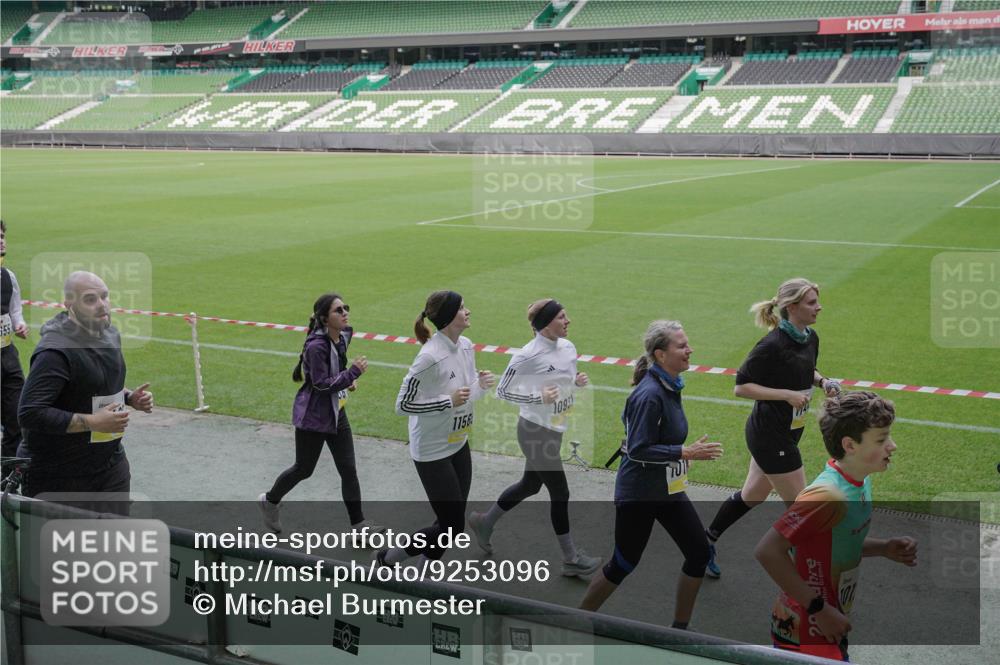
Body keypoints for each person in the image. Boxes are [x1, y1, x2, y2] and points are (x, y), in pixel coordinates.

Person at [579, 320, 722, 630]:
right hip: (639, 494)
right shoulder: (650, 395)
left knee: (698, 554)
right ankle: (576, 621)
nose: (690, 349)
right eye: (682, 346)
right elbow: (639, 449)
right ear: (660, 354)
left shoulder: (669, 385)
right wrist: (684, 453)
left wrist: (680, 453)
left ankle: (679, 631)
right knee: (624, 563)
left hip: (667, 489)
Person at [755, 391, 917, 661]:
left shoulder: (858, 480)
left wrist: (884, 548)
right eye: (881, 439)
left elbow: (834, 543)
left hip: (828, 619)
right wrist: (819, 608)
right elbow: (767, 551)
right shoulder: (828, 496)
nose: (893, 445)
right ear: (850, 445)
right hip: (806, 624)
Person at [704, 278, 841, 578]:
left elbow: (807, 368)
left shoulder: (810, 337)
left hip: (789, 431)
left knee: (753, 495)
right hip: (770, 436)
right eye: (811, 302)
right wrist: (787, 395)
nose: (819, 307)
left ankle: (705, 543)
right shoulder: (771, 344)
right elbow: (741, 387)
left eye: (817, 300)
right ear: (792, 307)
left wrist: (822, 382)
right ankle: (809, 574)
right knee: (802, 508)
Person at [469, 298, 601, 576]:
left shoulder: (568, 347)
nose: (568, 321)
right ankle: (570, 558)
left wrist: (574, 384)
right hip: (533, 431)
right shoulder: (526, 356)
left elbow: (563, 382)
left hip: (555, 429)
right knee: (560, 492)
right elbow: (504, 391)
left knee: (530, 485)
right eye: (562, 317)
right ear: (545, 324)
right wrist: (536, 397)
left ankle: (485, 521)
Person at [375, 290, 494, 566]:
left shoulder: (466, 345)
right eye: (463, 308)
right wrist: (445, 402)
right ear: (450, 316)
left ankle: (423, 576)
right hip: (431, 452)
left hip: (459, 444)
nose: (468, 312)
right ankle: (386, 558)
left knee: (447, 523)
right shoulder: (429, 357)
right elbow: (402, 404)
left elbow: (464, 396)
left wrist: (481, 386)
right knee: (452, 527)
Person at [17, 271, 153, 497]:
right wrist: (93, 422)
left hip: (110, 466)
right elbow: (30, 412)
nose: (102, 305)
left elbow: (91, 384)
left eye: (104, 296)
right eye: (90, 300)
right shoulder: (54, 352)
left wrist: (129, 397)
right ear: (69, 304)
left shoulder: (110, 334)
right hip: (59, 476)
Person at [258, 293, 383, 534]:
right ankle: (270, 501)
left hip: (337, 414)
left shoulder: (342, 335)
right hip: (314, 418)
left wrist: (345, 379)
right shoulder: (316, 347)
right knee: (304, 469)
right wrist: (351, 375)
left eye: (346, 307)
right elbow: (320, 384)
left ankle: (359, 526)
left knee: (348, 469)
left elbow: (337, 364)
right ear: (325, 319)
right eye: (338, 310)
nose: (345, 312)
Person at [1, 220, 29, 462]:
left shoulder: (8, 277)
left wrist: (20, 324)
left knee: (16, 418)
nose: (1, 240)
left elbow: (15, 309)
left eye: (2, 235)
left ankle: (7, 477)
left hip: (7, 357)